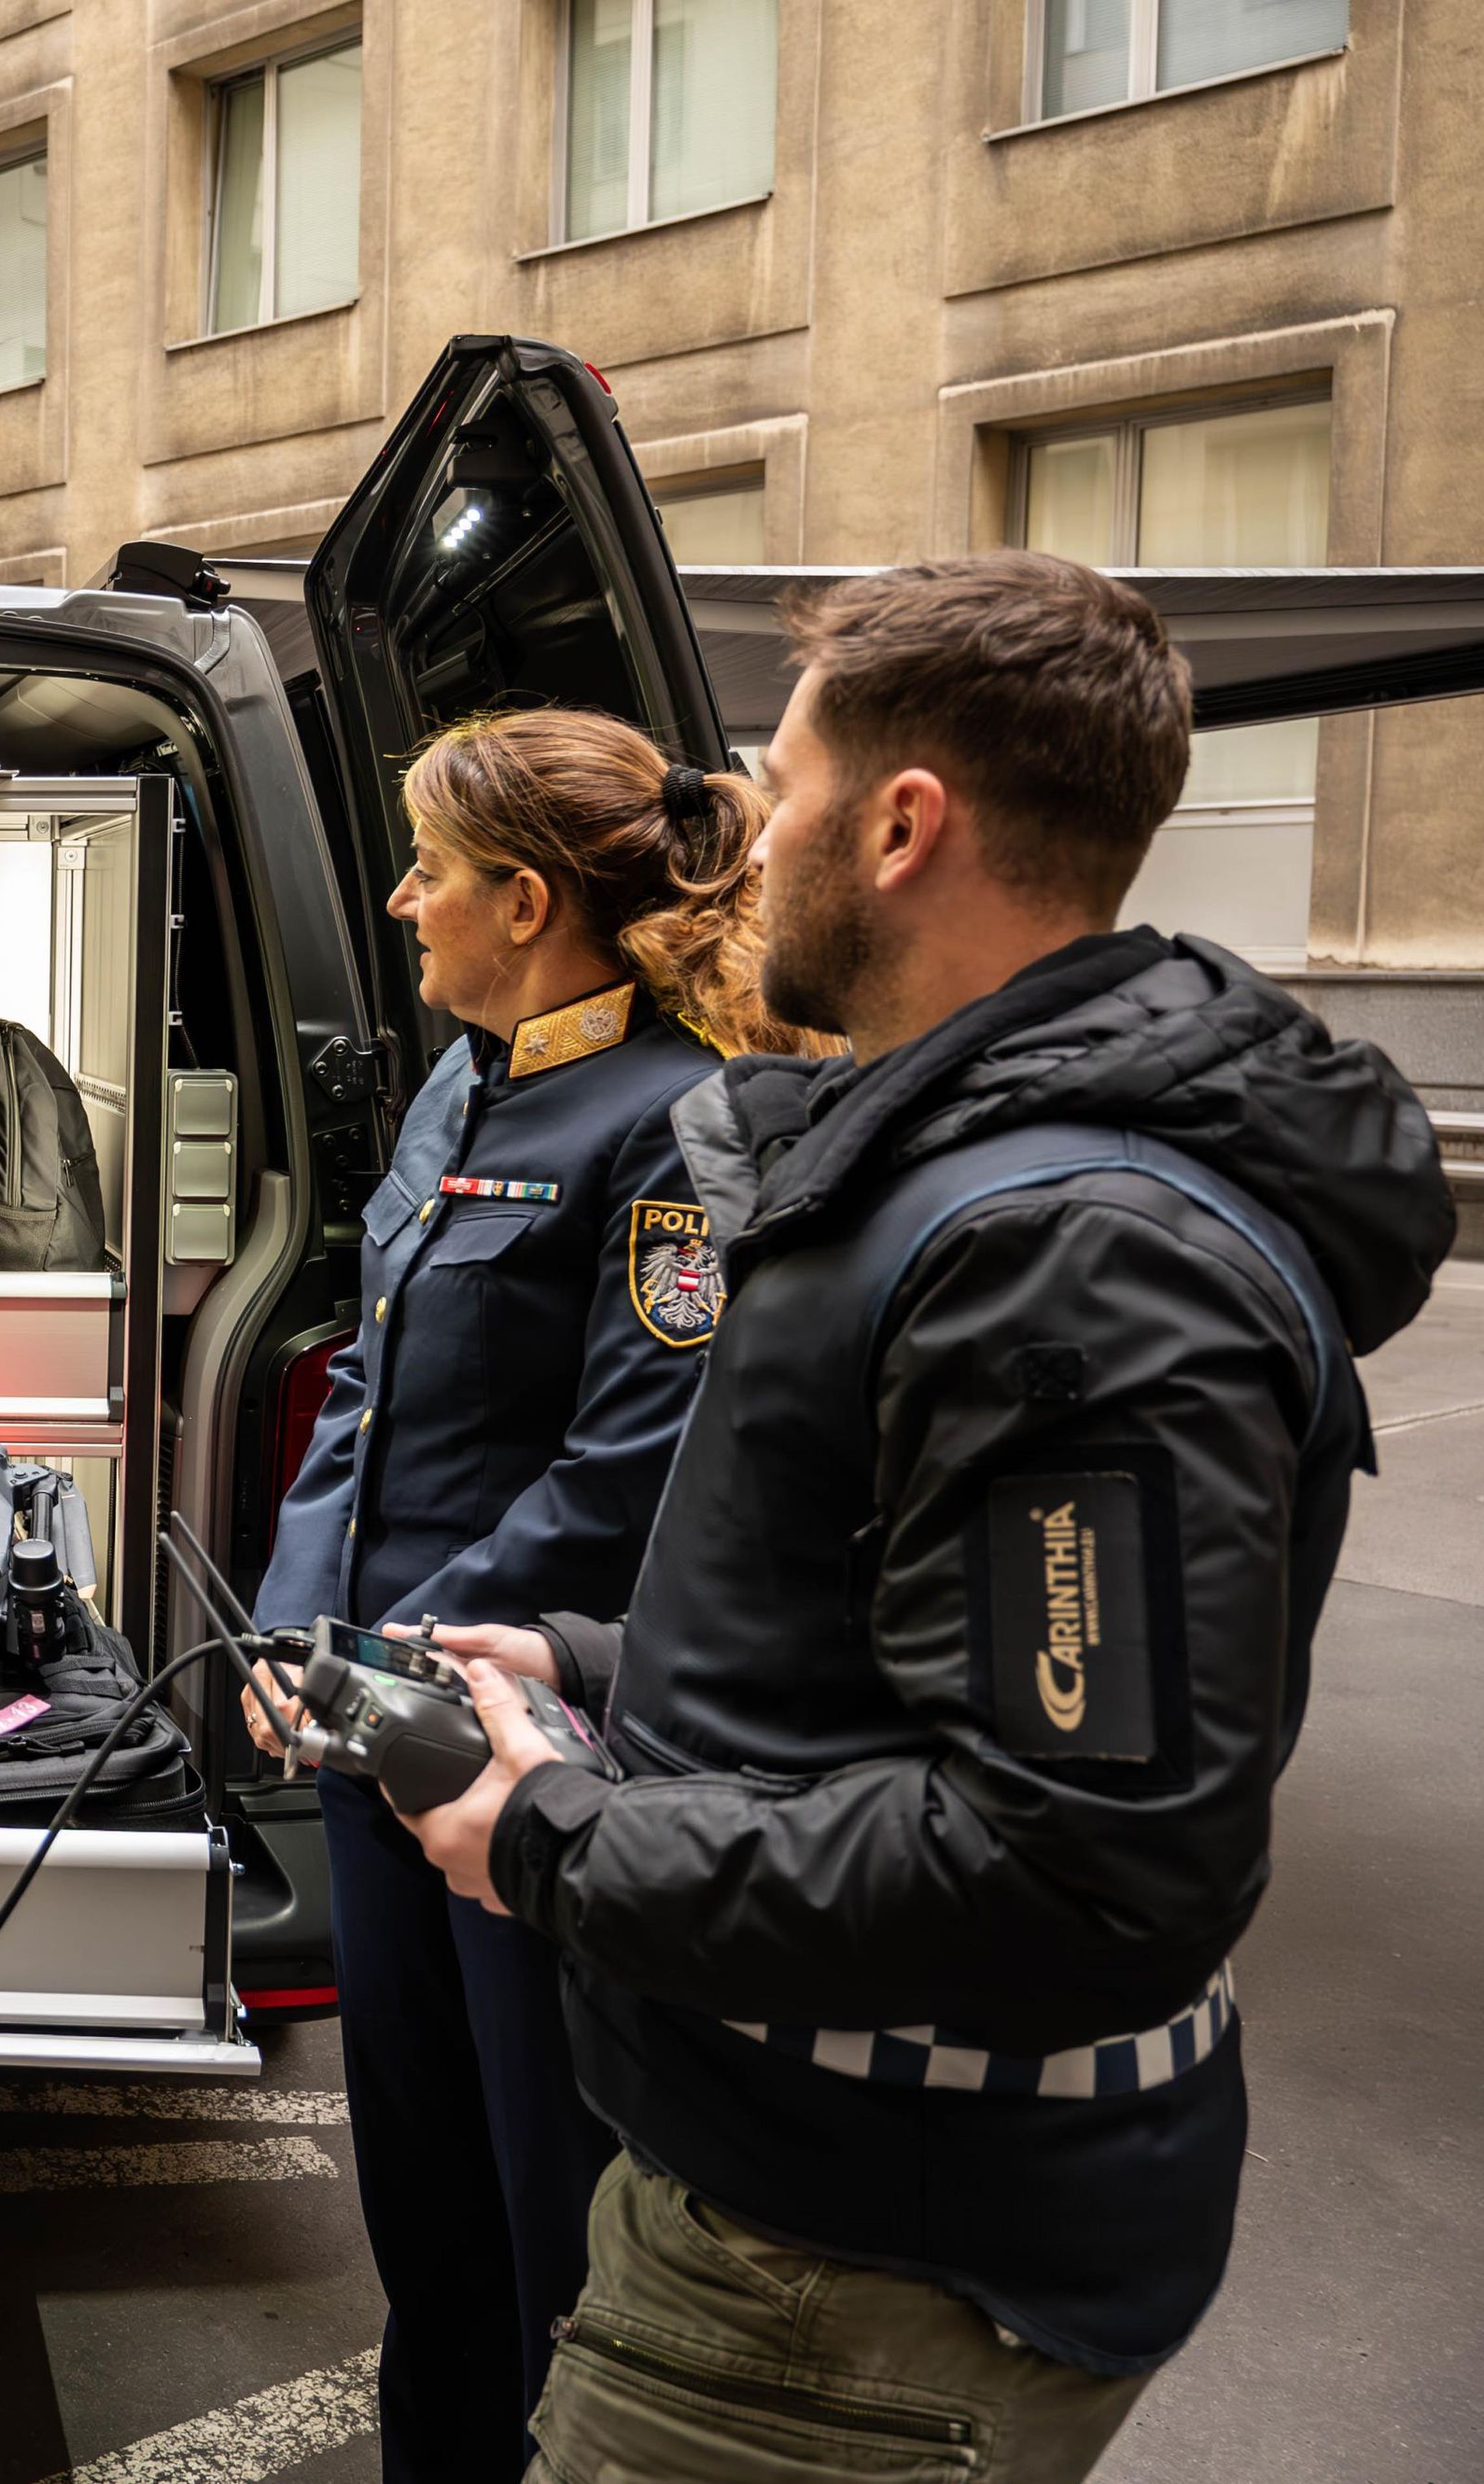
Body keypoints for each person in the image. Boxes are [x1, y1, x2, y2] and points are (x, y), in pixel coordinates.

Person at [402, 553, 1455, 2479]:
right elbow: (908, 1649)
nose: (736, 847)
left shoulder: (1064, 1261)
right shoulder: (957, 1177)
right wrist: (592, 1663)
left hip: (844, 2285)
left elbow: (1073, 1867)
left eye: (779, 791)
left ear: (900, 824)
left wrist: (551, 1833)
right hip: (800, 2218)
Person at [246, 706, 797, 2480]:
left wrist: (393, 1657)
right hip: (381, 1721)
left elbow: (622, 1477)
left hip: (520, 1732)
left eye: (428, 868)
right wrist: (301, 1631)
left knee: (542, 2198)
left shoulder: (675, 1126)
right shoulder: (458, 1080)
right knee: (414, 2188)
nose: (403, 901)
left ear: (527, 898)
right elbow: (362, 1384)